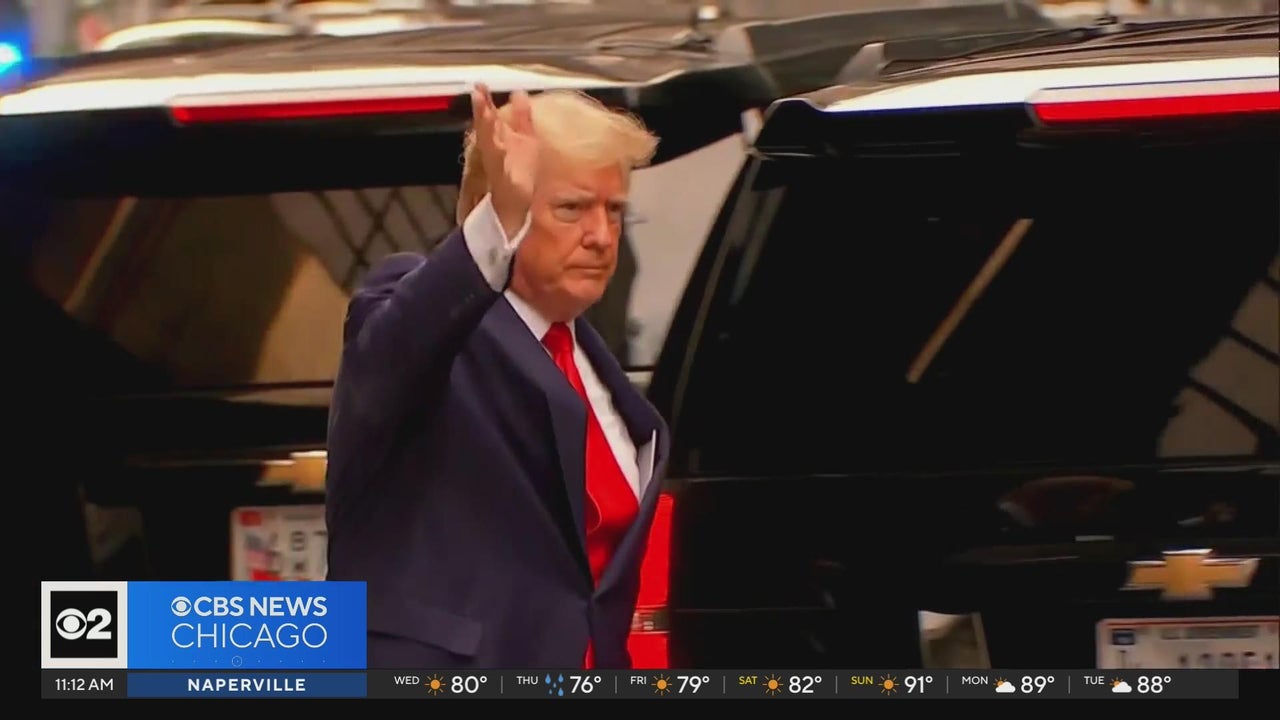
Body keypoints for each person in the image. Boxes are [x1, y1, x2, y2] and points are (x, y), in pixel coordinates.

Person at [324, 85, 669, 670]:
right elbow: (396, 347)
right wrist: (493, 229)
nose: (602, 235)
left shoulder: (593, 360)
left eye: (614, 211)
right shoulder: (433, 323)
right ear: (500, 207)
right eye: (571, 208)